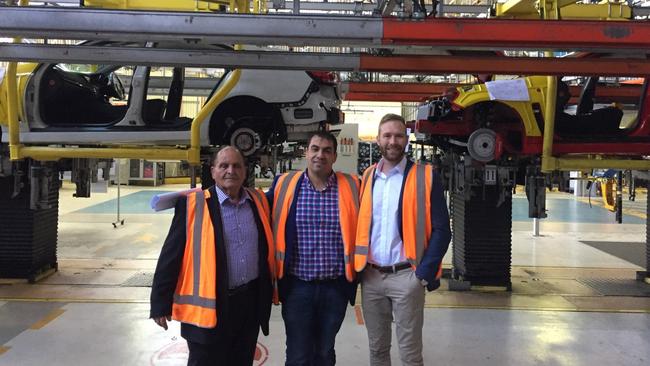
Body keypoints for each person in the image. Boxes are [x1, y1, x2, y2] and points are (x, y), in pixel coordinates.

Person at [150, 146, 276, 366]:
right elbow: (171, 255)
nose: (231, 171)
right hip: (209, 310)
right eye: (224, 165)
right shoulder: (193, 205)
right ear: (213, 171)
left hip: (248, 305)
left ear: (245, 171)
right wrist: (160, 302)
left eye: (237, 165)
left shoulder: (257, 202)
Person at [355, 113, 451, 366]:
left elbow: (443, 230)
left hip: (407, 276)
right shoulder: (367, 177)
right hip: (372, 277)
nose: (393, 141)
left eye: (398, 135)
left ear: (406, 139)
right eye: (387, 135)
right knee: (377, 350)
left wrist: (422, 275)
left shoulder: (426, 176)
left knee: (410, 355)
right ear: (378, 140)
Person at [267, 131, 360, 366]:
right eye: (315, 149)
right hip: (298, 288)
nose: (321, 155)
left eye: (327, 150)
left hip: (335, 288)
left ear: (335, 156)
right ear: (306, 152)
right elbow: (253, 206)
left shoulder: (353, 186)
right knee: (298, 354)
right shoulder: (284, 184)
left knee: (325, 351)